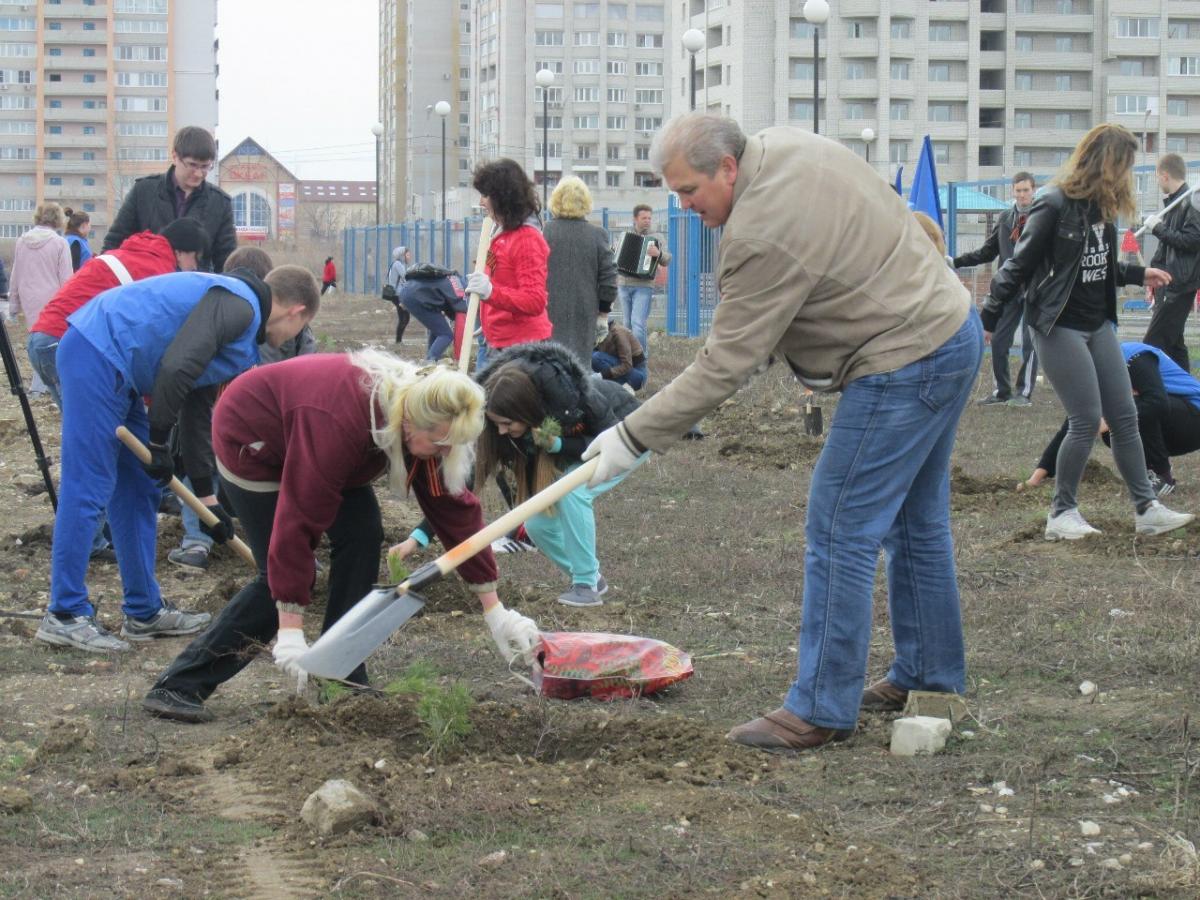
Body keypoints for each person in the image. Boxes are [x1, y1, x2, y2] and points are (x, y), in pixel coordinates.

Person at [581, 113, 983, 752]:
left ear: (729, 167)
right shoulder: (787, 143)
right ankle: (928, 673)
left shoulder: (762, 232)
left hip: (905, 356)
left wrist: (631, 435)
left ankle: (821, 707)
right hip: (950, 327)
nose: (682, 206)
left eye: (689, 191)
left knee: (839, 524)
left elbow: (726, 364)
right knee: (915, 522)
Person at [142, 352, 541, 722]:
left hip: (328, 447)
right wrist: (292, 631)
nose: (443, 452)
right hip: (255, 441)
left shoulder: (424, 414)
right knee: (279, 579)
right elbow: (299, 518)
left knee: (364, 534)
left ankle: (341, 673)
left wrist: (495, 610)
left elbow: (453, 511)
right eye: (439, 443)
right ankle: (180, 685)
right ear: (408, 422)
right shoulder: (339, 421)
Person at [32, 265, 320, 653]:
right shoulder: (241, 306)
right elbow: (177, 366)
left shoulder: (244, 337)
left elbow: (197, 407)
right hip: (95, 352)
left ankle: (143, 611)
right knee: (89, 485)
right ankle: (64, 613)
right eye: (298, 330)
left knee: (139, 491)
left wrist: (207, 497)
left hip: (124, 375)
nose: (291, 340)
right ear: (296, 311)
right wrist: (157, 440)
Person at [984, 123, 1193, 541]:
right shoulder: (1052, 204)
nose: (1127, 176)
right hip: (1058, 326)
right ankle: (1061, 514)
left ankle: (1146, 509)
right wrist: (990, 316)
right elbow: (1018, 265)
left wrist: (1139, 272)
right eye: (1124, 166)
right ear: (1103, 163)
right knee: (1084, 420)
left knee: (1126, 417)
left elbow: (1100, 267)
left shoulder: (1101, 207)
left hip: (1097, 325)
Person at [167, 246, 316, 574]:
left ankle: (289, 549)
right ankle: (198, 539)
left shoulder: (289, 321)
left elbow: (307, 363)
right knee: (202, 464)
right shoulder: (225, 314)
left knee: (272, 476)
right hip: (217, 414)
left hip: (267, 417)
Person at [475, 341, 642, 607]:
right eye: (498, 425)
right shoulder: (514, 423)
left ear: (525, 412)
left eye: (507, 424)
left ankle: (585, 585)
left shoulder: (574, 400)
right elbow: (472, 477)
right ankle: (592, 578)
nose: (502, 432)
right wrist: (421, 535)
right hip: (591, 446)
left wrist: (560, 445)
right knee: (537, 525)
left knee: (573, 492)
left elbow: (609, 437)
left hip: (628, 432)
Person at [27, 219, 210, 410]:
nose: (195, 267)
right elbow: (148, 346)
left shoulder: (133, 254)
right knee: (95, 431)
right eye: (196, 257)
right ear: (180, 251)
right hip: (66, 343)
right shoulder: (159, 274)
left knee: (91, 427)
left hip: (43, 338)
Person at [1026, 341, 1200, 498]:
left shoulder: (1135, 356)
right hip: (1172, 424)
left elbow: (1157, 403)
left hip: (1193, 418)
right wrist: (1036, 478)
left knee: (1129, 409)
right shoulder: (1092, 376)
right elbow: (1072, 425)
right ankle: (1150, 472)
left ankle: (1163, 477)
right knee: (1110, 428)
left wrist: (1109, 421)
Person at [953, 172, 1040, 407]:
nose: (1022, 195)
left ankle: (1024, 393)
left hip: (1035, 288)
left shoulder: (1043, 217)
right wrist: (956, 262)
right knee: (999, 340)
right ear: (1013, 192)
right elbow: (987, 252)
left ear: (1034, 191)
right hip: (1008, 288)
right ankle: (1002, 391)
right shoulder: (1005, 218)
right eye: (1018, 190)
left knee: (1031, 342)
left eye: (1026, 190)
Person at [103, 126, 236, 273]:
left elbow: (227, 261)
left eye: (205, 167)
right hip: (146, 283)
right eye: (192, 165)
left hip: (195, 289)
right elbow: (114, 243)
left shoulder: (220, 203)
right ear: (175, 156)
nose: (198, 174)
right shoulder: (143, 191)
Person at [464, 159, 551, 368]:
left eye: (486, 196)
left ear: (503, 197)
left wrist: (490, 292)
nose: (482, 202)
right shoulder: (500, 234)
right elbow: (501, 276)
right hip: (497, 341)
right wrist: (486, 316)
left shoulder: (526, 239)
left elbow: (534, 300)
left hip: (523, 350)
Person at [543, 177, 617, 364]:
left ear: (556, 201)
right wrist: (603, 312)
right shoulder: (597, 235)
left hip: (548, 310)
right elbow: (609, 279)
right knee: (580, 368)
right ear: (586, 202)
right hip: (585, 311)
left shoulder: (544, 233)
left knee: (550, 366)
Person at [1141, 153, 1200, 372]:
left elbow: (1192, 241)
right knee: (1175, 346)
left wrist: (1158, 228)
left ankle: (1138, 397)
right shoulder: (1174, 205)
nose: (1158, 183)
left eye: (1157, 178)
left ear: (1164, 175)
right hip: (1168, 282)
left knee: (1151, 345)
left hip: (1178, 284)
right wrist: (1152, 272)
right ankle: (1190, 398)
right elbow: (1166, 249)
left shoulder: (1191, 202)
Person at [8, 203, 73, 395]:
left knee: (35, 338)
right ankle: (48, 384)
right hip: (53, 299)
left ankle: (38, 384)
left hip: (29, 297)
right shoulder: (60, 243)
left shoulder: (21, 241)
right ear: (58, 219)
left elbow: (15, 274)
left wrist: (14, 305)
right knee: (53, 342)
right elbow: (67, 279)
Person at [618, 203, 670, 357]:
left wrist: (658, 254)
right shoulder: (624, 235)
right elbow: (615, 258)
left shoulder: (657, 237)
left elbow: (667, 260)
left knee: (638, 324)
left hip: (644, 285)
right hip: (624, 284)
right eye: (644, 218)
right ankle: (628, 357)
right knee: (627, 324)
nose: (647, 220)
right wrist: (615, 250)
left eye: (649, 218)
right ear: (636, 219)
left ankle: (641, 357)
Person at [399, 263, 467, 362]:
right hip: (417, 296)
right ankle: (430, 362)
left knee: (437, 329)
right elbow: (460, 330)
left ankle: (431, 359)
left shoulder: (455, 280)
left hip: (410, 290)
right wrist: (460, 359)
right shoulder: (463, 294)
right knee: (446, 335)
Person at [593, 319, 647, 392]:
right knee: (592, 355)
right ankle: (610, 388)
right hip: (624, 372)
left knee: (596, 357)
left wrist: (601, 375)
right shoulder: (601, 336)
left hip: (637, 376)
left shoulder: (619, 334)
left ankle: (622, 388)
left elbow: (627, 365)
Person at [384, 246, 412, 343]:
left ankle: (398, 341)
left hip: (396, 295)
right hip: (398, 295)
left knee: (403, 317)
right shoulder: (398, 265)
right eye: (407, 255)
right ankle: (398, 341)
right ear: (402, 255)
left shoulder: (395, 264)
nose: (409, 257)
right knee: (405, 318)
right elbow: (406, 278)